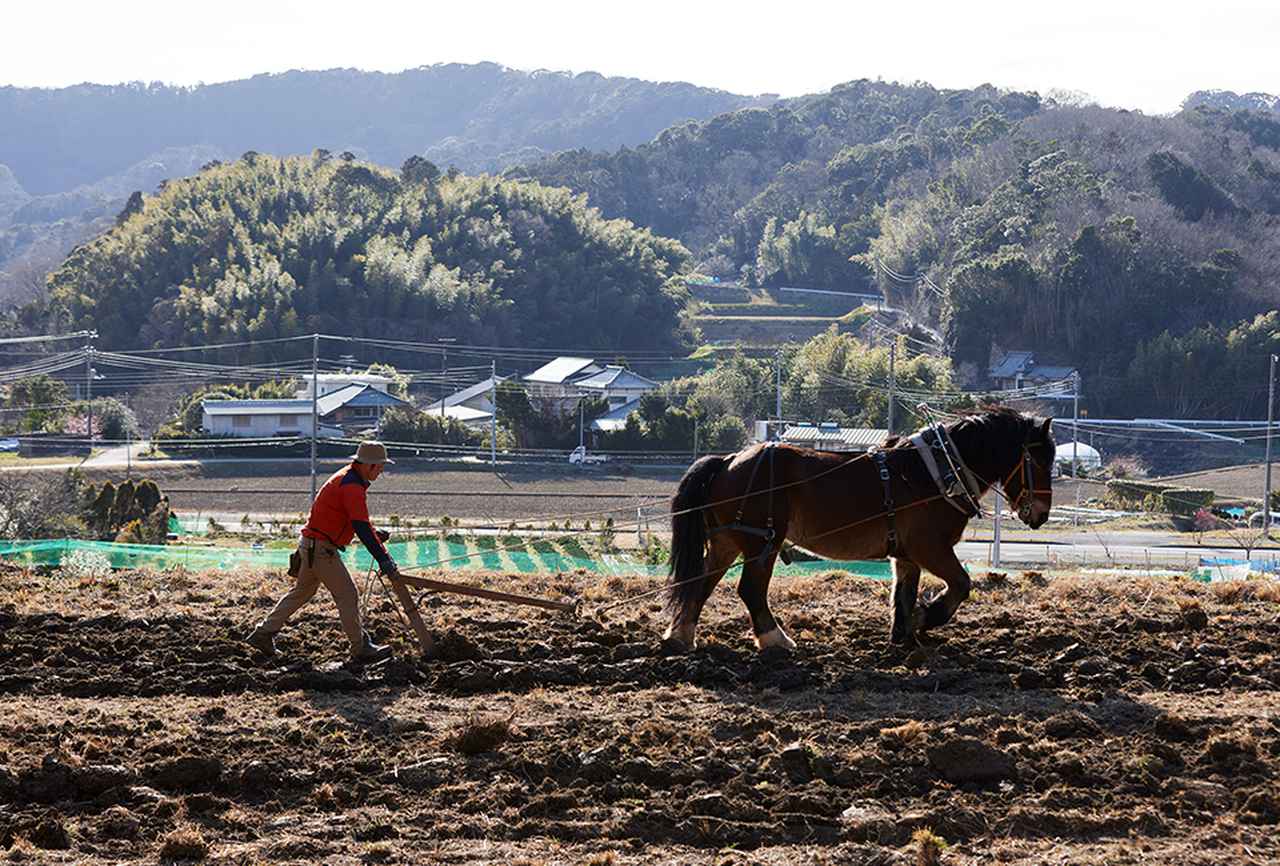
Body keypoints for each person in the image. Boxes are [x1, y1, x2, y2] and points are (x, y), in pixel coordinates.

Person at [246, 441, 400, 663]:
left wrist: (375, 534)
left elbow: (350, 520)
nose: (382, 470)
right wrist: (384, 559)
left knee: (302, 592)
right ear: (370, 466)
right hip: (321, 550)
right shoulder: (352, 486)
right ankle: (360, 648)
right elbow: (361, 527)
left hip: (309, 545)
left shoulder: (347, 478)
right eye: (381, 466)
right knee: (348, 594)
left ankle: (263, 633)